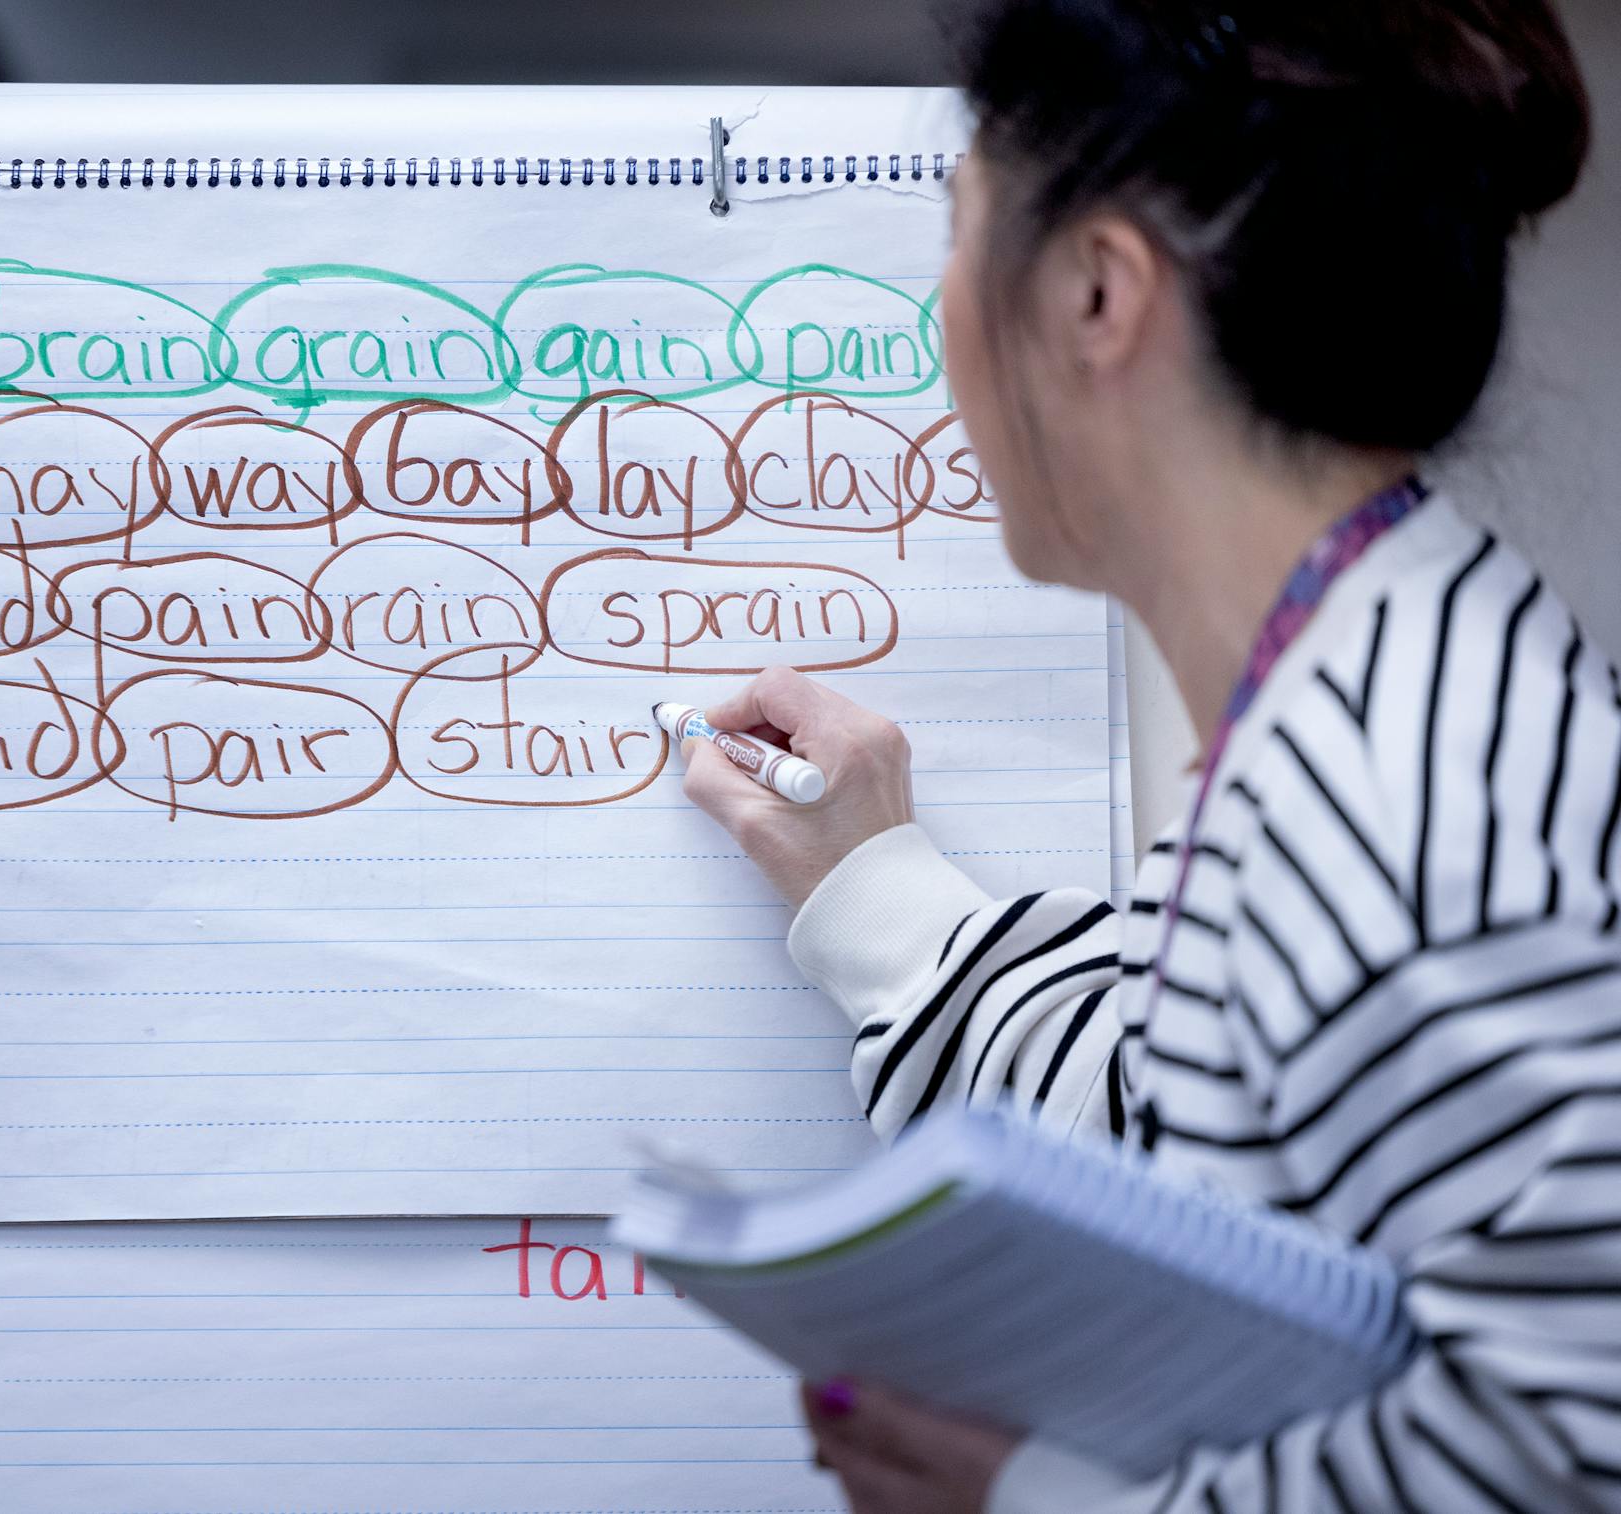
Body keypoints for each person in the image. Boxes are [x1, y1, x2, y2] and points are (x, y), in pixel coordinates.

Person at [680, 2, 1619, 1510]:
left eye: (960, 232)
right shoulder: (1361, 679)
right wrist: (876, 895)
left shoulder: (1411, 810)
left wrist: (1037, 1494)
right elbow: (1177, 1115)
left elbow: (1562, 1452)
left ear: (1100, 297)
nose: (941, 310)